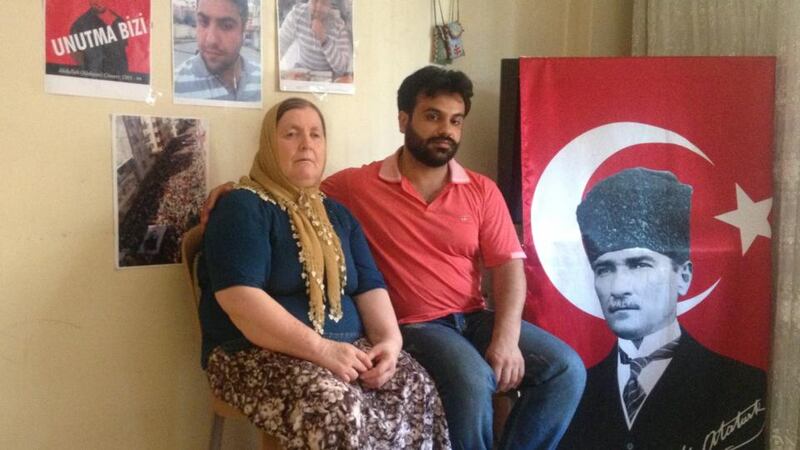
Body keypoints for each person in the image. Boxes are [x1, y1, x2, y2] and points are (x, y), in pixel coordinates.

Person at [203, 66, 586, 450]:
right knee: (471, 381)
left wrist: (505, 338)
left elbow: (506, 267)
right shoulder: (353, 187)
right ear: (404, 119)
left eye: (456, 121)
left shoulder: (476, 191)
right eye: (432, 116)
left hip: (468, 317)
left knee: (566, 370)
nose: (445, 130)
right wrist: (234, 188)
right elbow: (284, 189)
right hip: (417, 326)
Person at [199, 98, 450, 449]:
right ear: (270, 146)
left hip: (346, 350)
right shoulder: (242, 205)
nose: (307, 144)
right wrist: (322, 350)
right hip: (251, 355)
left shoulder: (337, 214)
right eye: (291, 134)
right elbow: (239, 299)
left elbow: (370, 288)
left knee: (415, 385)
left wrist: (390, 346)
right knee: (335, 406)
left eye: (316, 135)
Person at [559, 168, 766, 449]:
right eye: (604, 269)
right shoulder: (570, 392)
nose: (619, 288)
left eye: (640, 265)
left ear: (683, 277)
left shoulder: (745, 388)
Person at [174, 0, 261, 102]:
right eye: (203, 22)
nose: (211, 40)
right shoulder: (174, 87)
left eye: (226, 26)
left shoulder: (264, 81)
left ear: (243, 29)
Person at [278, 0, 352, 79]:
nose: (318, 8)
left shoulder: (339, 25)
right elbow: (280, 45)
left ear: (330, 4)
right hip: (302, 73)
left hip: (327, 78)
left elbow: (342, 68)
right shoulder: (297, 14)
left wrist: (324, 40)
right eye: (315, 1)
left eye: (324, 3)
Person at [69, 0, 129, 75]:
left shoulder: (119, 21)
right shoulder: (79, 25)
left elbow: (123, 51)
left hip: (120, 78)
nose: (98, 2)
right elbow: (75, 53)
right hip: (94, 77)